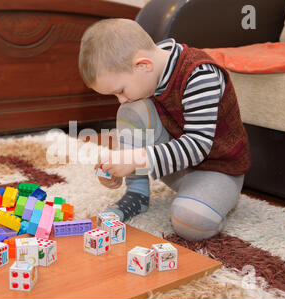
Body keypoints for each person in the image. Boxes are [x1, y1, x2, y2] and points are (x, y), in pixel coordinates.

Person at [78, 18, 251, 241]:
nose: (120, 100)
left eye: (120, 90)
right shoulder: (148, 73)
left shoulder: (200, 75)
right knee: (132, 110)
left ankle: (211, 199)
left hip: (218, 167)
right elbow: (144, 137)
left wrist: (136, 159)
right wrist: (119, 166)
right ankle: (137, 194)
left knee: (190, 222)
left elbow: (198, 146)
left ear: (143, 65)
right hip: (176, 164)